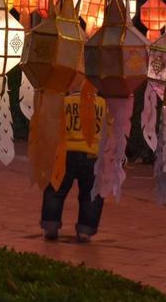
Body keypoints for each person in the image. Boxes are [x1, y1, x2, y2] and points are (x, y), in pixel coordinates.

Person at [40, 83, 106, 242]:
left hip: (66, 153)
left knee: (55, 190)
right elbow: (108, 129)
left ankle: (51, 225)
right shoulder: (103, 104)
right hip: (92, 155)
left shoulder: (65, 101)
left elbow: (54, 126)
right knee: (91, 194)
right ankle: (85, 230)